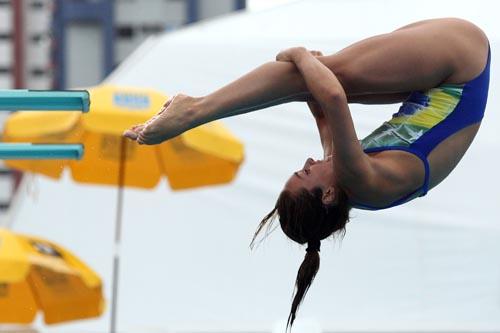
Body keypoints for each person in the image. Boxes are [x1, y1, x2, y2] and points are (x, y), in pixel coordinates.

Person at [124, 18, 490, 329]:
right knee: (321, 76)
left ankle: (197, 111)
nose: (309, 162)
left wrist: (313, 74)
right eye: (304, 174)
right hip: (460, 62)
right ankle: (194, 112)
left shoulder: (344, 181)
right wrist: (300, 55)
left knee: (314, 80)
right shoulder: (362, 181)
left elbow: (323, 109)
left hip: (443, 78)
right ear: (327, 194)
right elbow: (331, 96)